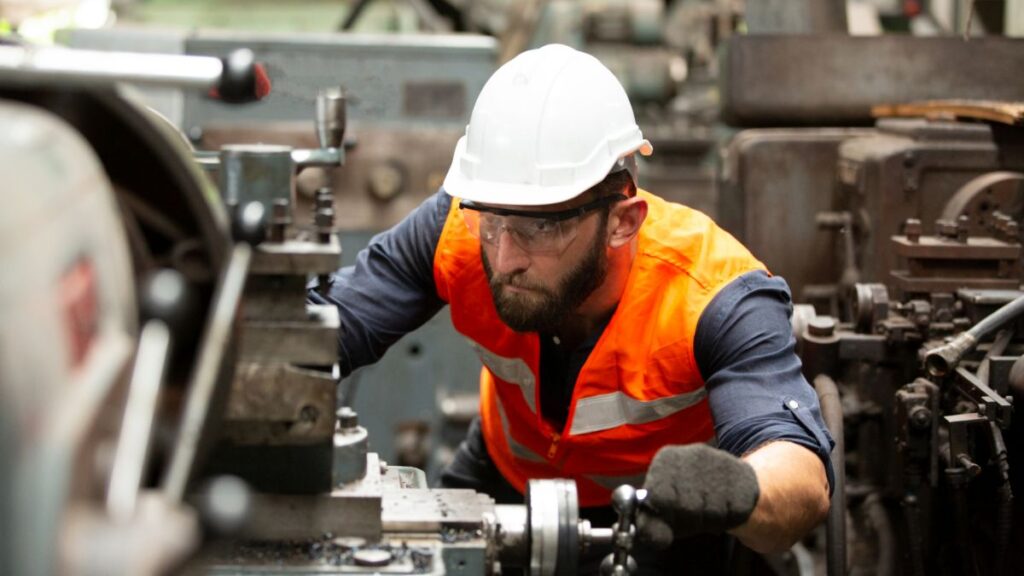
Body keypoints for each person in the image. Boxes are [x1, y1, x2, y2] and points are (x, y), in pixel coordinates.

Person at [310, 44, 833, 573]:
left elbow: (801, 480)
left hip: (662, 511)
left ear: (623, 221)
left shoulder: (714, 295)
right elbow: (327, 326)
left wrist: (735, 490)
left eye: (543, 227)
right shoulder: (457, 232)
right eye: (491, 223)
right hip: (506, 474)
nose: (506, 258)